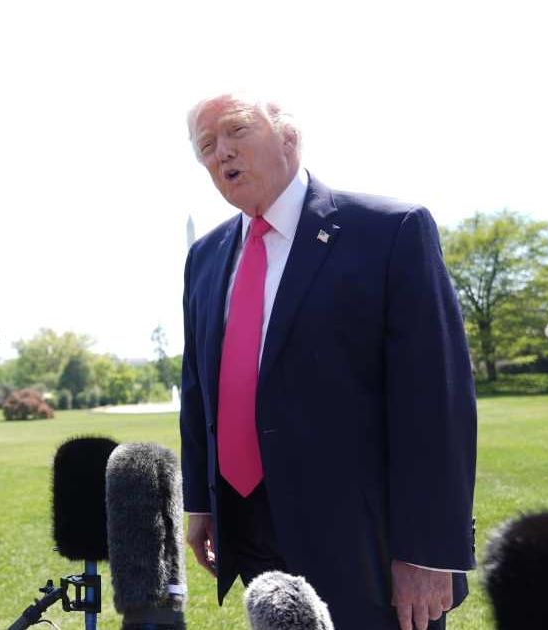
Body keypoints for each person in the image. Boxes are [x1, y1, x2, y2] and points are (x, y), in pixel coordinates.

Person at [179, 93, 476, 630]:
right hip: (250, 530)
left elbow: (437, 403)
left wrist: (430, 553)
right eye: (206, 146)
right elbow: (199, 386)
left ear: (289, 136)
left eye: (237, 131)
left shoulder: (390, 233)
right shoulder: (204, 257)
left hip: (367, 544)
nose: (221, 153)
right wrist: (201, 500)